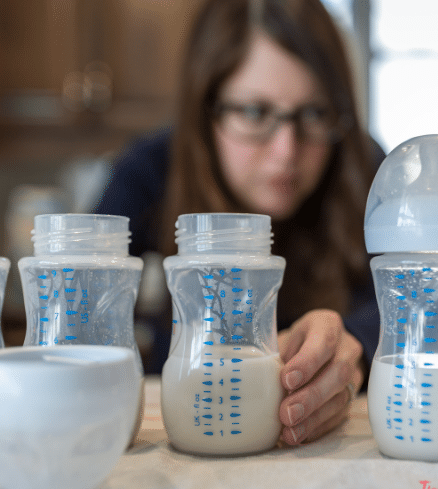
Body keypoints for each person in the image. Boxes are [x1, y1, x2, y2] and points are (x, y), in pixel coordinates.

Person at [93, 0, 385, 446]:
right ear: (205, 110)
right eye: (254, 113)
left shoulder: (361, 167)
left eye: (314, 113)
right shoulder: (151, 169)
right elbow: (86, 288)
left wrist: (352, 343)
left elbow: (402, 299)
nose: (287, 151)